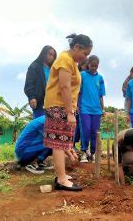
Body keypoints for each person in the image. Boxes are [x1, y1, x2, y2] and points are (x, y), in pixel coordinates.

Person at [43, 33, 93, 191]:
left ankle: (61, 174)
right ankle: (61, 179)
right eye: (85, 53)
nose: (85, 58)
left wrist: (72, 107)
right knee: (58, 143)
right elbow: (64, 86)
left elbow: (70, 88)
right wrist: (70, 112)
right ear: (76, 47)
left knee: (62, 141)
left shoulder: (70, 60)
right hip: (58, 105)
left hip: (62, 106)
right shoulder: (65, 59)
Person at [78, 55, 106, 163]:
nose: (94, 68)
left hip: (96, 110)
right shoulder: (82, 75)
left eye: (96, 66)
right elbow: (78, 92)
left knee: (95, 132)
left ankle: (93, 153)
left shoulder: (100, 78)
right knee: (85, 130)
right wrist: (77, 105)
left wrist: (102, 109)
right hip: (84, 108)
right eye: (92, 65)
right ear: (88, 64)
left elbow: (100, 95)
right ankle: (84, 152)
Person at [24, 46, 56, 119]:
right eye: (50, 54)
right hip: (40, 102)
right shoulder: (35, 66)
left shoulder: (54, 69)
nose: (52, 57)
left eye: (53, 56)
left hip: (53, 103)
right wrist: (31, 97)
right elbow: (29, 84)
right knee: (40, 125)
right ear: (43, 54)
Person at [73, 59, 88, 149]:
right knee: (76, 126)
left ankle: (82, 147)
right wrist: (76, 104)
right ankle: (74, 145)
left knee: (81, 126)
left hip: (85, 106)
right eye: (84, 65)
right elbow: (76, 91)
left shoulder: (88, 76)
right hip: (78, 104)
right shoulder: (78, 75)